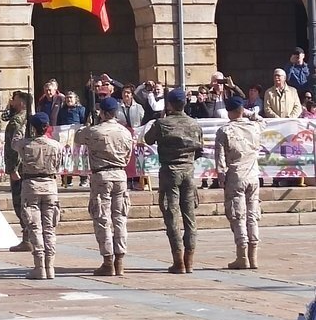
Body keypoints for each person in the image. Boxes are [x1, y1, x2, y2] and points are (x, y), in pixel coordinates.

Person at [144, 88, 204, 274]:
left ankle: (178, 261)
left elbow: (147, 139)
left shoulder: (162, 123)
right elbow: (200, 150)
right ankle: (189, 261)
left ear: (169, 104)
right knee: (190, 217)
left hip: (169, 171)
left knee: (171, 215)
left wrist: (162, 118)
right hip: (188, 170)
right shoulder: (194, 124)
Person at [74, 97, 133, 276]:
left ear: (104, 113)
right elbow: (128, 155)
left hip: (101, 175)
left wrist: (89, 123)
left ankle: (108, 260)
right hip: (120, 174)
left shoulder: (95, 131)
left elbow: (78, 138)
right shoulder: (125, 132)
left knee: (102, 219)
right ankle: (120, 259)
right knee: (120, 218)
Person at [215, 96, 265, 270]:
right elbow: (261, 120)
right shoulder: (254, 127)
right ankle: (254, 256)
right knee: (253, 215)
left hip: (236, 175)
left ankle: (242, 256)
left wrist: (221, 176)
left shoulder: (225, 130)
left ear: (228, 112)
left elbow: (220, 159)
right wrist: (247, 111)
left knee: (238, 215)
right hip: (253, 174)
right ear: (242, 110)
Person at [11, 112, 63, 279]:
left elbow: (13, 144)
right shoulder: (56, 145)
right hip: (50, 185)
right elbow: (60, 164)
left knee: (35, 227)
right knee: (50, 228)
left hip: (31, 186)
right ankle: (50, 266)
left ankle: (39, 266)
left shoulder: (26, 145)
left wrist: (21, 127)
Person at [4, 90, 33, 252]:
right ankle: (29, 235)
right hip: (31, 167)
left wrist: (12, 169)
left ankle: (27, 237)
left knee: (19, 202)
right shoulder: (32, 119)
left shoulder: (17, 121)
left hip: (20, 168)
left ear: (21, 102)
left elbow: (12, 148)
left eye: (14, 99)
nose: (11, 101)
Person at [57, 91, 87, 187]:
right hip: (65, 138)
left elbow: (84, 122)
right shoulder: (62, 111)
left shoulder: (81, 109)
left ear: (76, 99)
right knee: (66, 157)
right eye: (67, 98)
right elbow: (58, 123)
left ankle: (84, 179)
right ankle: (67, 179)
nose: (69, 100)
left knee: (80, 156)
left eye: (71, 97)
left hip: (77, 137)